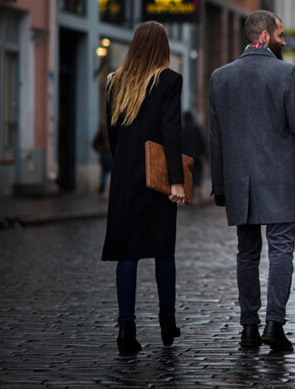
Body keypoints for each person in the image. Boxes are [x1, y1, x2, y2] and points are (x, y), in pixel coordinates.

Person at [209, 10, 295, 351]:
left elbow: (217, 137)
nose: (284, 41)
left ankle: (248, 328)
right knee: (281, 249)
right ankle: (274, 324)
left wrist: (219, 185)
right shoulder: (287, 72)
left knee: (247, 253)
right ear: (264, 37)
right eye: (280, 35)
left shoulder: (220, 77)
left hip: (239, 180)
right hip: (279, 180)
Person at [101, 21, 186, 355]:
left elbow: (113, 135)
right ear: (163, 47)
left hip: (124, 177)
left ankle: (126, 329)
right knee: (163, 250)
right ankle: (167, 322)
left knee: (128, 253)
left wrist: (121, 165)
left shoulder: (114, 81)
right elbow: (171, 131)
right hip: (157, 177)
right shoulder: (169, 80)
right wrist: (176, 180)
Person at [180, 111, 208, 197]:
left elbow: (179, 144)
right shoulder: (197, 128)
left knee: (188, 174)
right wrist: (206, 155)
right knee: (197, 173)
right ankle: (197, 190)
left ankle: (190, 191)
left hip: (186, 157)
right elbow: (203, 142)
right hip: (197, 157)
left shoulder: (182, 129)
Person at [92, 124, 112, 195]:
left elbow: (94, 144)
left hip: (109, 154)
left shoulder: (103, 130)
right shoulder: (103, 131)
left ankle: (104, 188)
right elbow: (94, 144)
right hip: (107, 154)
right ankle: (103, 188)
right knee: (105, 172)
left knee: (105, 172)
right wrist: (101, 150)